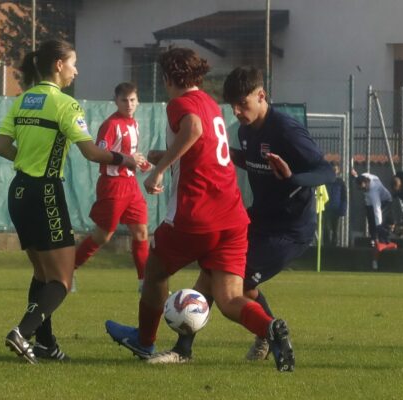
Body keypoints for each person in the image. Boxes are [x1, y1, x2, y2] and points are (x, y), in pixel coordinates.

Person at [104, 49, 295, 372]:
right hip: (232, 217)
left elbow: (192, 130)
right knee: (230, 298)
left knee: (155, 272)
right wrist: (164, 154)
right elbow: (203, 145)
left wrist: (160, 169)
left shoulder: (180, 104)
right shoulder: (209, 103)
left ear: (167, 78)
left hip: (196, 214)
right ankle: (270, 328)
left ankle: (144, 340)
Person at [145, 66, 335, 364]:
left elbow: (326, 170)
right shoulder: (247, 130)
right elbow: (250, 159)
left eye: (242, 104)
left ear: (262, 96)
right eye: (231, 105)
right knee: (217, 274)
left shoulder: (286, 129)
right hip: (258, 219)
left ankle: (253, 340)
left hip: (289, 230)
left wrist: (291, 178)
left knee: (229, 284)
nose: (236, 111)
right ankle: (200, 347)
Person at [0, 39, 141, 364]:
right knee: (62, 279)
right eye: (73, 63)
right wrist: (125, 158)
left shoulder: (23, 101)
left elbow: (1, 146)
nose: (77, 70)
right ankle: (22, 332)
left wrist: (27, 160)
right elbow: (91, 153)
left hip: (19, 191)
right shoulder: (65, 105)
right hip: (45, 191)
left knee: (42, 274)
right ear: (59, 65)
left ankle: (46, 345)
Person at [74, 82, 150, 292]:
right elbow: (101, 156)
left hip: (131, 185)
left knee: (141, 232)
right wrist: (127, 159)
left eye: (132, 100)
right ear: (116, 101)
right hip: (113, 185)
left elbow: (131, 157)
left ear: (138, 101)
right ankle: (67, 270)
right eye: (124, 100)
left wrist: (144, 165)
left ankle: (145, 283)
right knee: (103, 236)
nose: (129, 104)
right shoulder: (110, 125)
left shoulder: (134, 124)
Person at [352, 169, 397, 269]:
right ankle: (376, 253)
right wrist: (355, 175)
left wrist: (378, 225)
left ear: (367, 183)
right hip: (370, 205)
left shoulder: (374, 191)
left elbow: (377, 209)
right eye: (361, 189)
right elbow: (358, 177)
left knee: (379, 227)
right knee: (374, 233)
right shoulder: (363, 177)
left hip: (385, 202)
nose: (363, 190)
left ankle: (385, 240)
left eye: (364, 188)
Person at [323, 162, 347, 247]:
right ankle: (325, 244)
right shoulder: (325, 180)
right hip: (325, 208)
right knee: (325, 227)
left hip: (336, 209)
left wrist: (343, 209)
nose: (333, 171)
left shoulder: (340, 182)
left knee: (335, 228)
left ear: (338, 171)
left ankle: (334, 245)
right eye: (332, 169)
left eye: (335, 169)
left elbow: (344, 197)